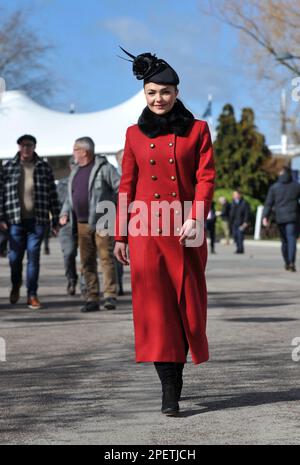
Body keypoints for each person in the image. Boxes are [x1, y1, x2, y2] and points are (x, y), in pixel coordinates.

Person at [114, 49, 215, 416]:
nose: (159, 99)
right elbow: (126, 186)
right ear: (145, 94)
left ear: (176, 92)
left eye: (166, 92)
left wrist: (197, 215)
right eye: (152, 92)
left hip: (186, 232)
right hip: (145, 234)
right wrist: (120, 235)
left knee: (187, 310)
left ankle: (179, 371)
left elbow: (206, 177)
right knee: (155, 312)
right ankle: (168, 386)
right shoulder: (133, 135)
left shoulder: (198, 130)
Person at [60, 137, 120, 313]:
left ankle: (110, 295)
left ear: (84, 151)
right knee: (86, 261)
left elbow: (120, 187)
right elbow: (70, 197)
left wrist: (114, 210)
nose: (73, 153)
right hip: (81, 223)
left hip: (103, 221)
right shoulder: (75, 171)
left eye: (75, 149)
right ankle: (92, 297)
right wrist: (64, 212)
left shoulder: (105, 168)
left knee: (106, 258)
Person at [0, 135, 60, 309]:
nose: (26, 148)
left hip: (38, 220)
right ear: (19, 147)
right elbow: (1, 195)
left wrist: (55, 218)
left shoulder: (44, 168)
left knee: (33, 256)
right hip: (14, 221)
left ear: (34, 147)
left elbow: (53, 195)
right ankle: (16, 284)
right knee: (14, 258)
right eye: (23, 145)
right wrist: (1, 217)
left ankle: (32, 294)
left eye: (29, 145)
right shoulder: (8, 168)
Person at [263, 167, 300, 272]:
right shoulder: (296, 186)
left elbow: (268, 203)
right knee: (291, 239)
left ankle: (287, 262)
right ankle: (292, 262)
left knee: (284, 241)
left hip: (280, 218)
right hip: (293, 217)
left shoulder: (274, 187)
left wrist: (265, 216)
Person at [57, 159, 78, 295]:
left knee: (87, 257)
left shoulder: (89, 179)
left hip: (86, 222)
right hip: (67, 224)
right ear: (70, 167)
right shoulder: (63, 183)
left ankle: (86, 287)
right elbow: (58, 201)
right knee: (69, 254)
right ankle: (71, 278)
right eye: (73, 164)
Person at [230, 190, 250, 254]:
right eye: (233, 195)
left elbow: (247, 213)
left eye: (235, 194)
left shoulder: (244, 203)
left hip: (241, 222)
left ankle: (240, 249)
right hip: (234, 223)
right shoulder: (232, 203)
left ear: (239, 195)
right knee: (235, 236)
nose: (234, 196)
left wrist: (245, 222)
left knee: (240, 236)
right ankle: (238, 247)